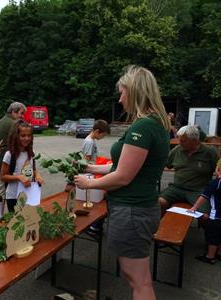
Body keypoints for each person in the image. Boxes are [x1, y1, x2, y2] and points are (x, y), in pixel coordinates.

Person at [75, 65, 171, 300]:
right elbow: (122, 167)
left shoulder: (143, 126)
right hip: (138, 209)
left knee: (139, 282)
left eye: (122, 93)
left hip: (132, 211)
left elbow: (123, 177)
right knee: (137, 278)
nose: (120, 99)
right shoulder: (155, 123)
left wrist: (88, 184)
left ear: (135, 92)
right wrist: (89, 168)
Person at [158, 125, 219, 215]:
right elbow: (165, 164)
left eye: (183, 141)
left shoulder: (209, 152)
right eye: (179, 140)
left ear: (195, 140)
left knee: (205, 216)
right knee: (159, 202)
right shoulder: (177, 150)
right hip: (176, 188)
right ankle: (163, 226)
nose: (180, 143)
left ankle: (207, 228)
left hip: (198, 191)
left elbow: (219, 171)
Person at [0, 120, 44, 212]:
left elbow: (33, 169)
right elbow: (3, 176)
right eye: (23, 136)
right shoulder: (9, 155)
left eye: (29, 135)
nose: (26, 138)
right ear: (16, 137)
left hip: (29, 194)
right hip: (13, 196)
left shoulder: (31, 153)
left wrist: (37, 175)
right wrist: (19, 177)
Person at [187, 159, 221, 264]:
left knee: (212, 237)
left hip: (216, 216)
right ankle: (219, 253)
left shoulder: (216, 183)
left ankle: (210, 256)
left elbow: (204, 197)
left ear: (219, 170)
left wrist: (194, 208)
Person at [0, 102, 26, 209]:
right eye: (21, 113)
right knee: (12, 193)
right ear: (13, 112)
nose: (23, 116)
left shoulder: (0, 121)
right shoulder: (13, 124)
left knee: (0, 193)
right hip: (8, 164)